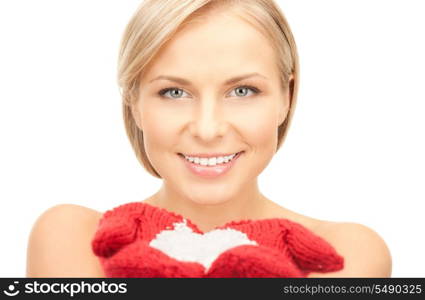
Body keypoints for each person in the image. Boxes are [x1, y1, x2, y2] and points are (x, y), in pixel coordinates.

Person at [26, 0, 392, 277]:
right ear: (134, 103)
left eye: (243, 91)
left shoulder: (343, 251)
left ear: (287, 98)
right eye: (173, 93)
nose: (207, 129)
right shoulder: (76, 237)